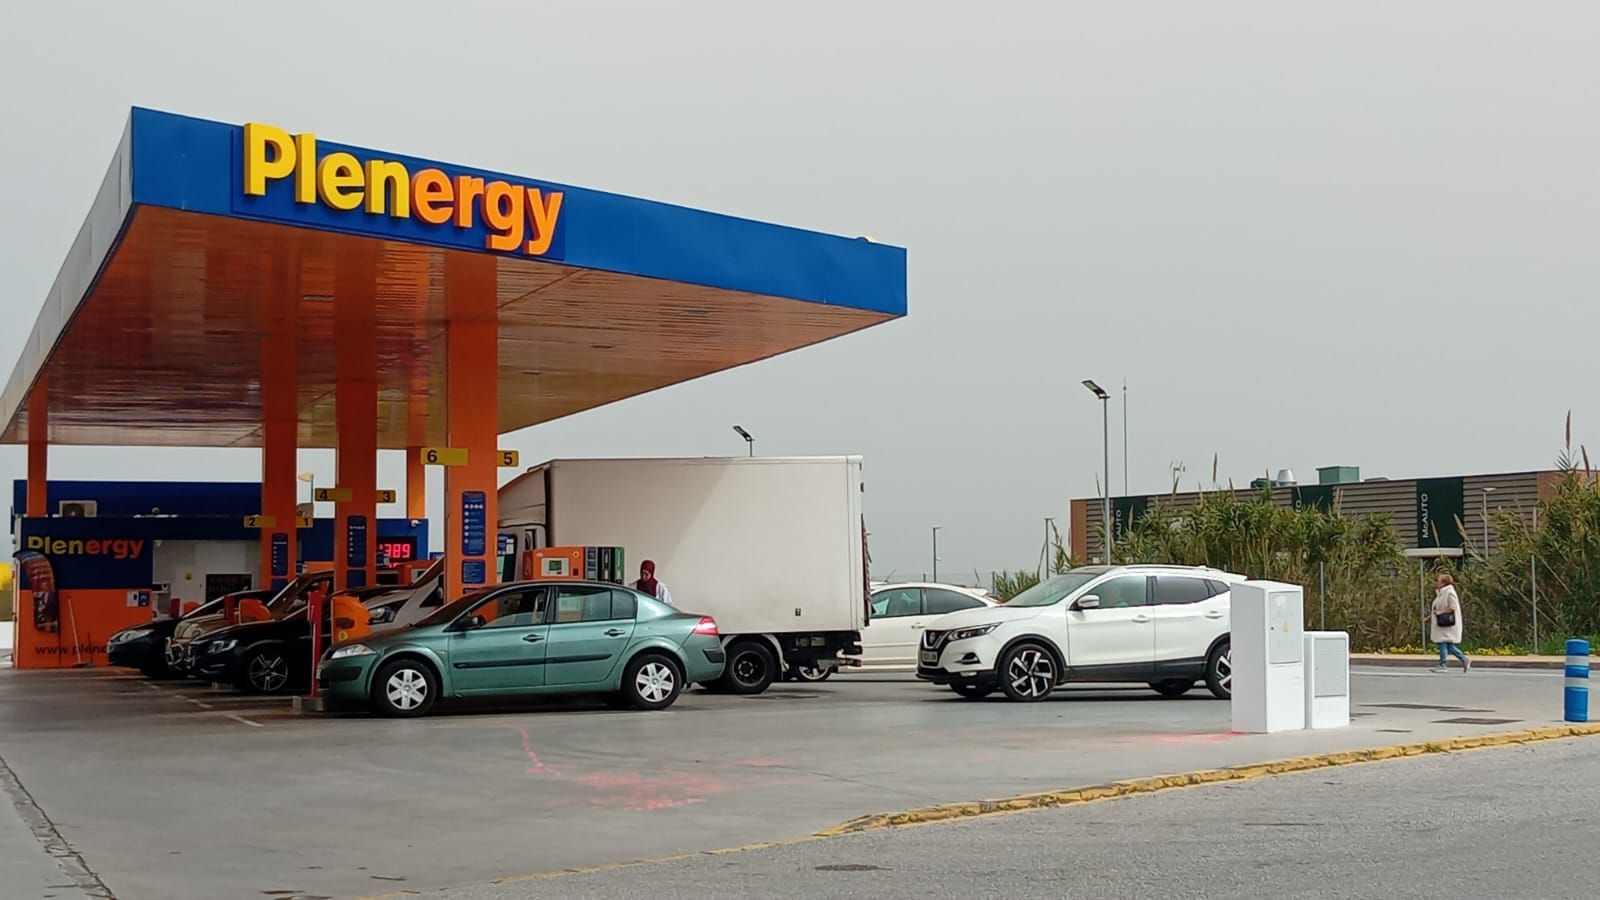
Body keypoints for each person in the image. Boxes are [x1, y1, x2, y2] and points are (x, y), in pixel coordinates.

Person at [1425, 572, 1470, 673]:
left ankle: (1443, 664)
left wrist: (1440, 612)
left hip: (1448, 624)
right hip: (1442, 623)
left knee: (1443, 642)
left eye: (1438, 581)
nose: (1436, 582)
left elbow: (1452, 607)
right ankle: (1464, 659)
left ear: (1444, 583)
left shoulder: (1449, 592)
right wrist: (1429, 618)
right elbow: (1437, 608)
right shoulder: (1441, 593)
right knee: (1448, 646)